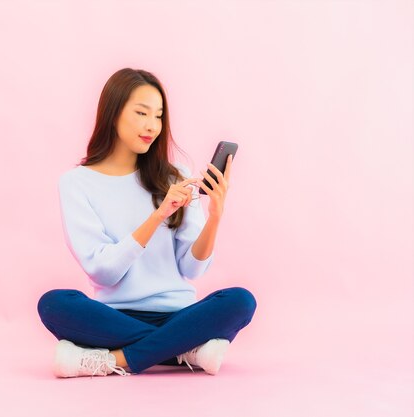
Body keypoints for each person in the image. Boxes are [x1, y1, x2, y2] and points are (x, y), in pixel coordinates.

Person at [37, 67, 257, 378]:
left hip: (179, 315)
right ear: (113, 114)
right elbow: (103, 271)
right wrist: (158, 216)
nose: (152, 126)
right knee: (54, 303)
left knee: (240, 301)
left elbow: (191, 269)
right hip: (114, 317)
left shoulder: (175, 175)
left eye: (158, 116)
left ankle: (113, 360)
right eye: (142, 113)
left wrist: (215, 216)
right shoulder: (77, 183)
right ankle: (183, 350)